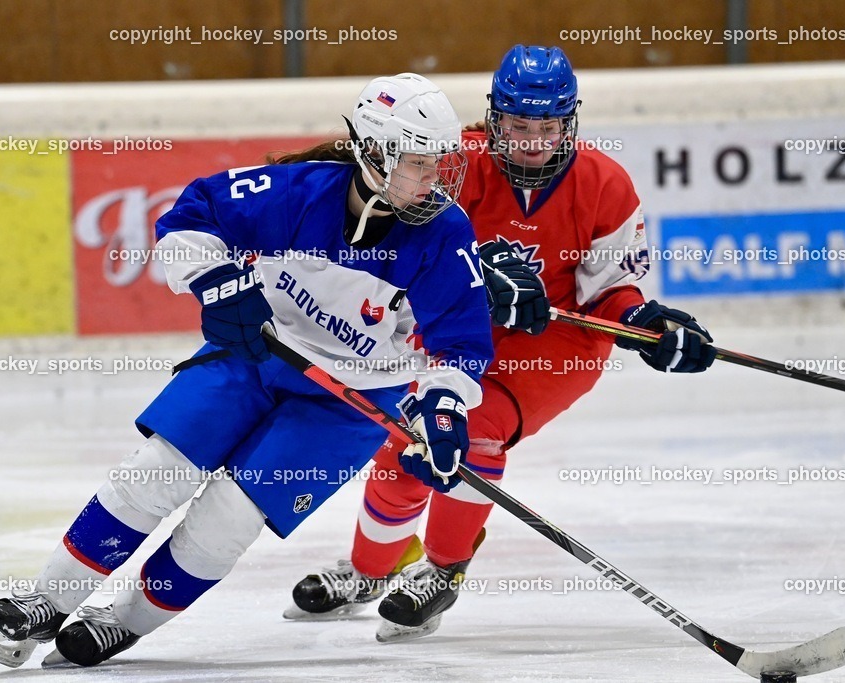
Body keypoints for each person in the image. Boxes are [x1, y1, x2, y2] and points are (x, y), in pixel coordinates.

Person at [0, 72, 495, 668]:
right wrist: (217, 283)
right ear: (373, 152)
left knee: (228, 518)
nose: (436, 179)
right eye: (419, 163)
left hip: (350, 400)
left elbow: (462, 344)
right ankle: (47, 599)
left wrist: (445, 405)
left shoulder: (445, 235)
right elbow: (191, 215)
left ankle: (123, 623)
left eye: (440, 163)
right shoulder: (295, 193)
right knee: (156, 472)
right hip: (257, 356)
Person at [285, 45, 717, 642]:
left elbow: (612, 291)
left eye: (548, 125)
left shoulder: (604, 183)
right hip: (455, 331)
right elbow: (401, 251)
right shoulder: (452, 163)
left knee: (473, 430)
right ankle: (368, 571)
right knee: (412, 441)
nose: (533, 140)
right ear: (494, 117)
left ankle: (444, 569)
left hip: (555, 345)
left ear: (571, 119)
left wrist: (647, 324)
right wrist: (474, 276)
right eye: (519, 125)